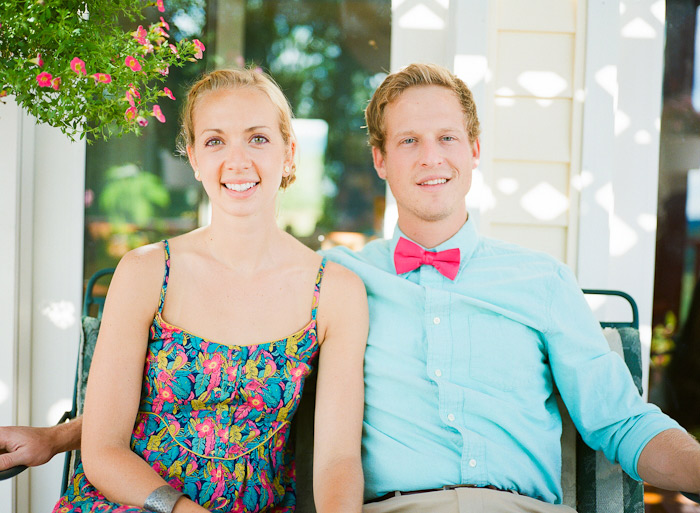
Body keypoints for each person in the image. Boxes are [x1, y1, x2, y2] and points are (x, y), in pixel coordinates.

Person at [2, 63, 700, 513]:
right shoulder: (347, 280)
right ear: (379, 158)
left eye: (448, 138)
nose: (432, 158)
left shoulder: (537, 280)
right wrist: (63, 436)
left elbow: (620, 418)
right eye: (408, 142)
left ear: (475, 149)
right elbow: (195, 400)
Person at [46, 68, 367, 513]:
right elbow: (102, 451)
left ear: (289, 154)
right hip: (137, 504)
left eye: (257, 138)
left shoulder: (335, 291)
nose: (237, 161)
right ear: (194, 158)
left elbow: (338, 460)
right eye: (215, 141)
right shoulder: (146, 273)